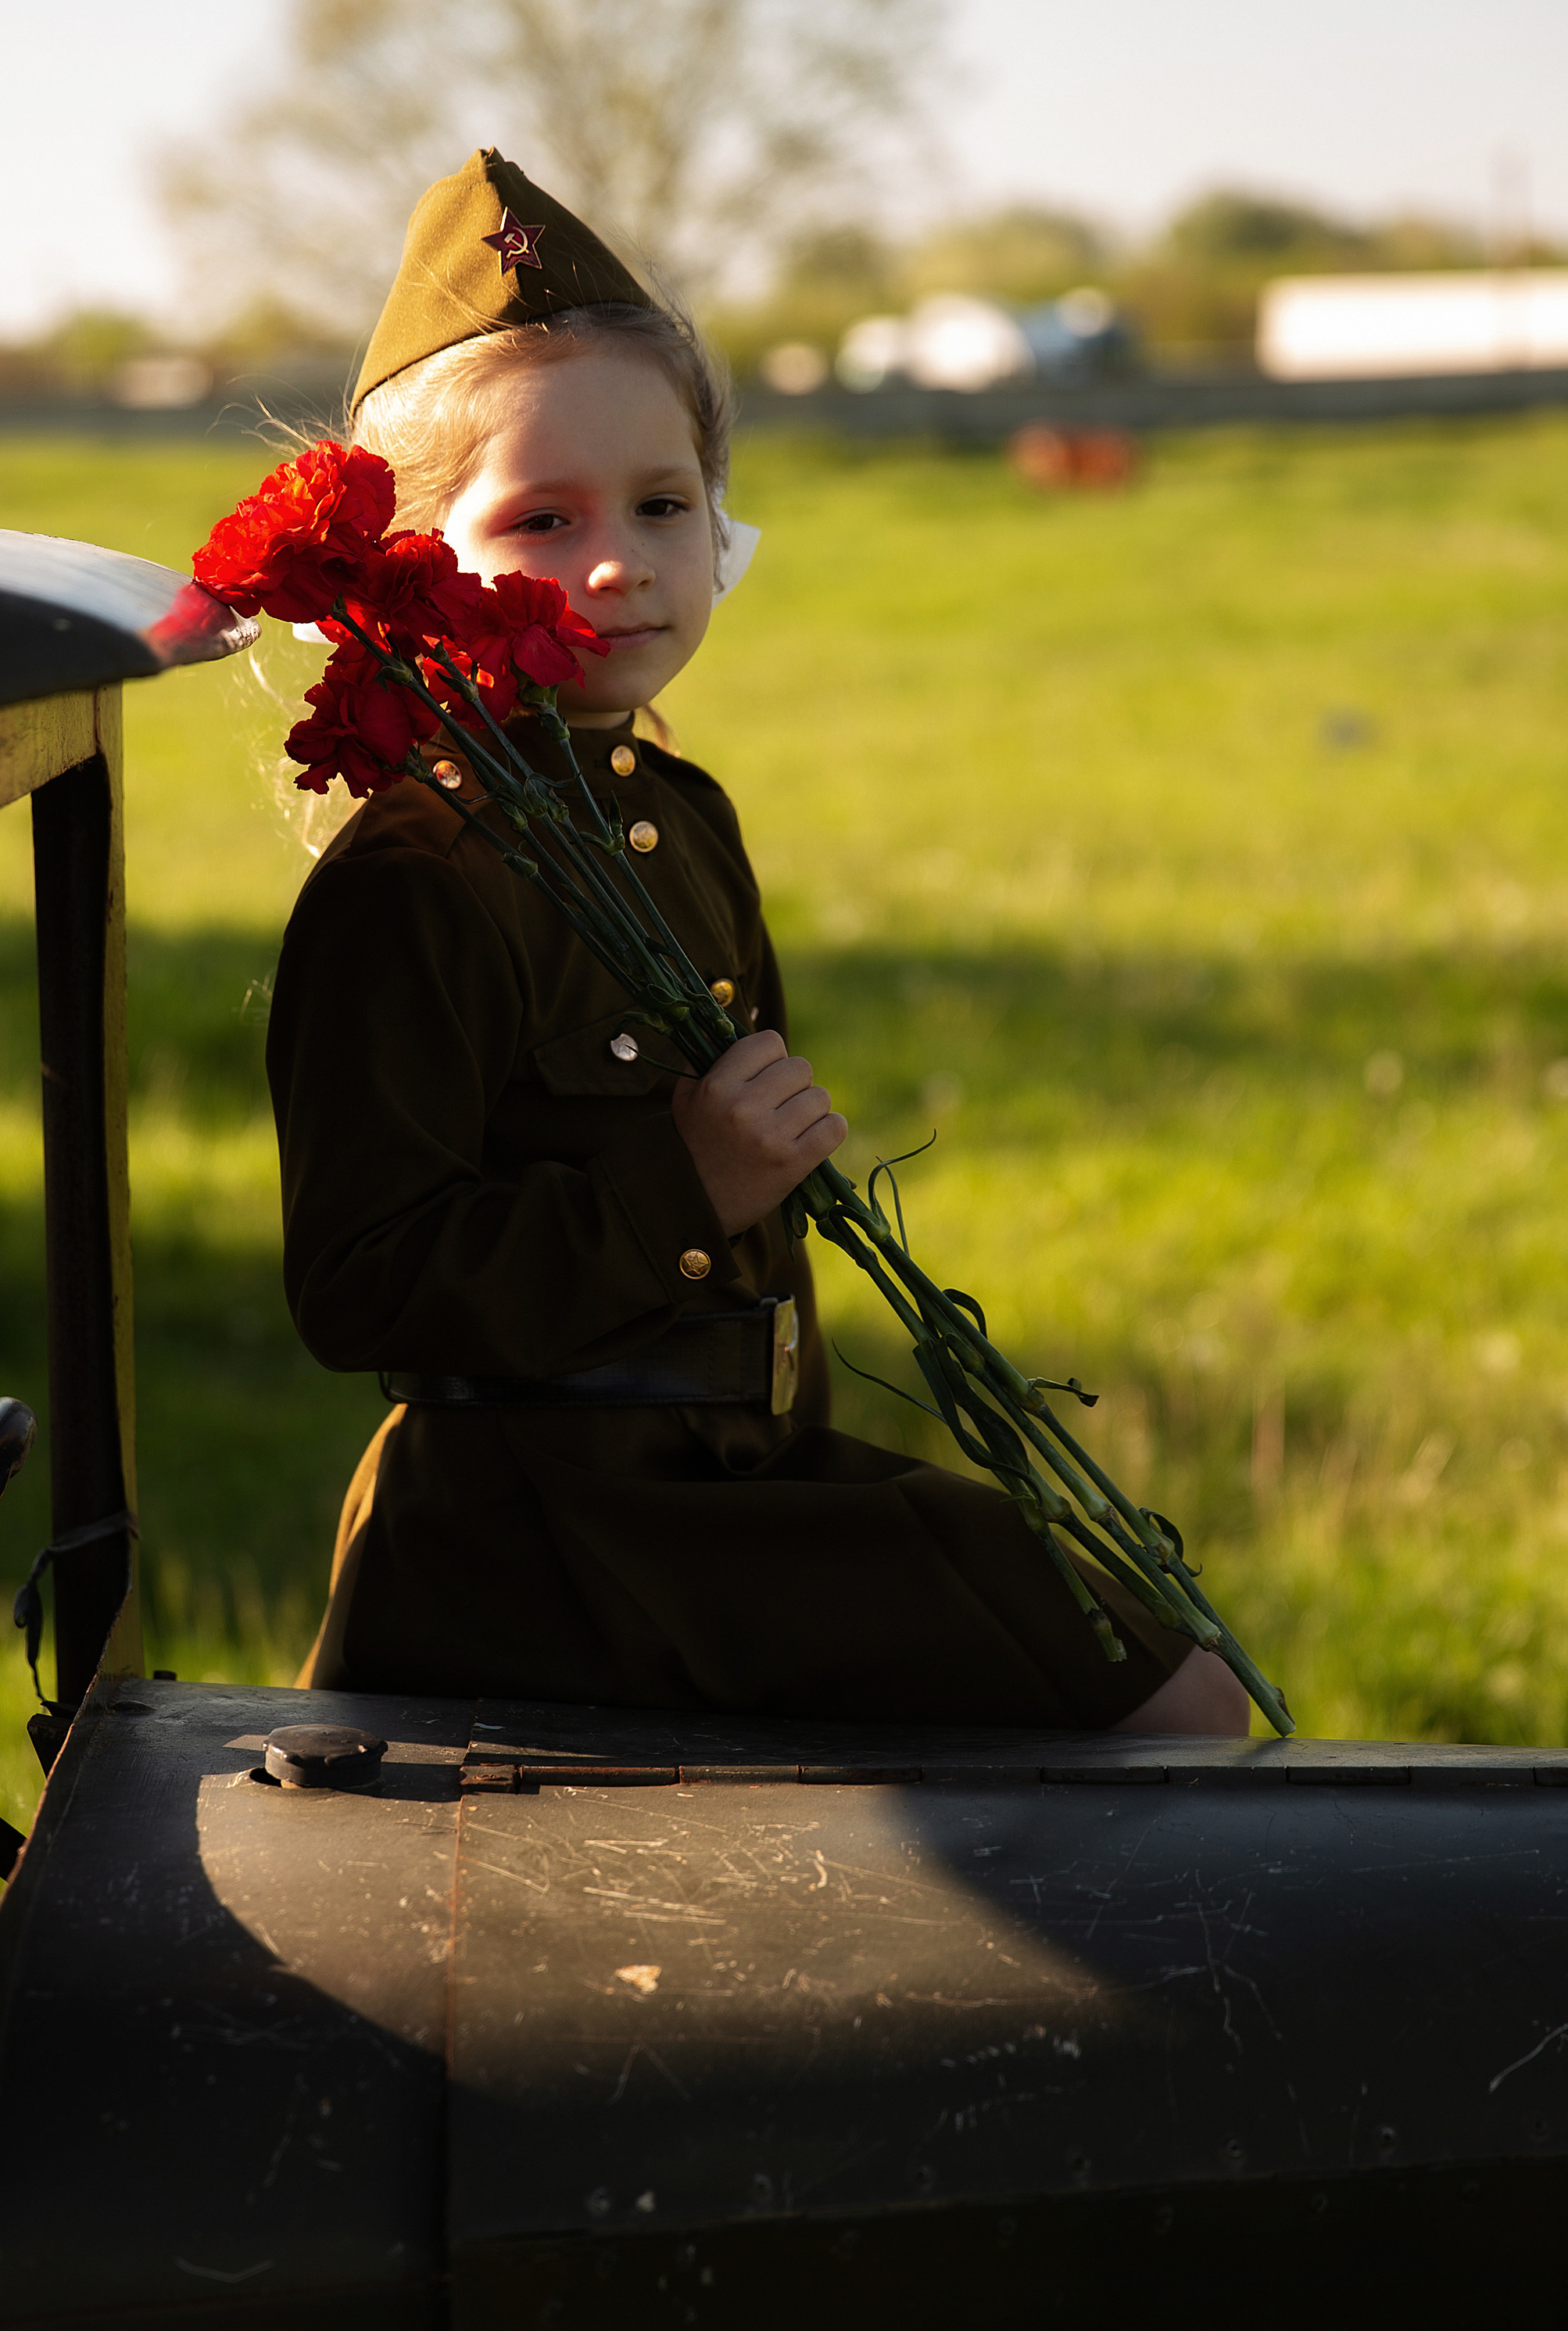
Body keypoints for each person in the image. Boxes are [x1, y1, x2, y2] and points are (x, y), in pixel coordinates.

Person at [266, 149, 1249, 1735]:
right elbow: (360, 1287)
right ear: (416, 560)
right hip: (556, 1540)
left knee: (1168, 1672)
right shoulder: (424, 880)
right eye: (542, 517)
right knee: (1168, 1709)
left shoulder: (675, 817)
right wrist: (678, 1187)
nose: (618, 561)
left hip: (732, 1487)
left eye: (663, 503)